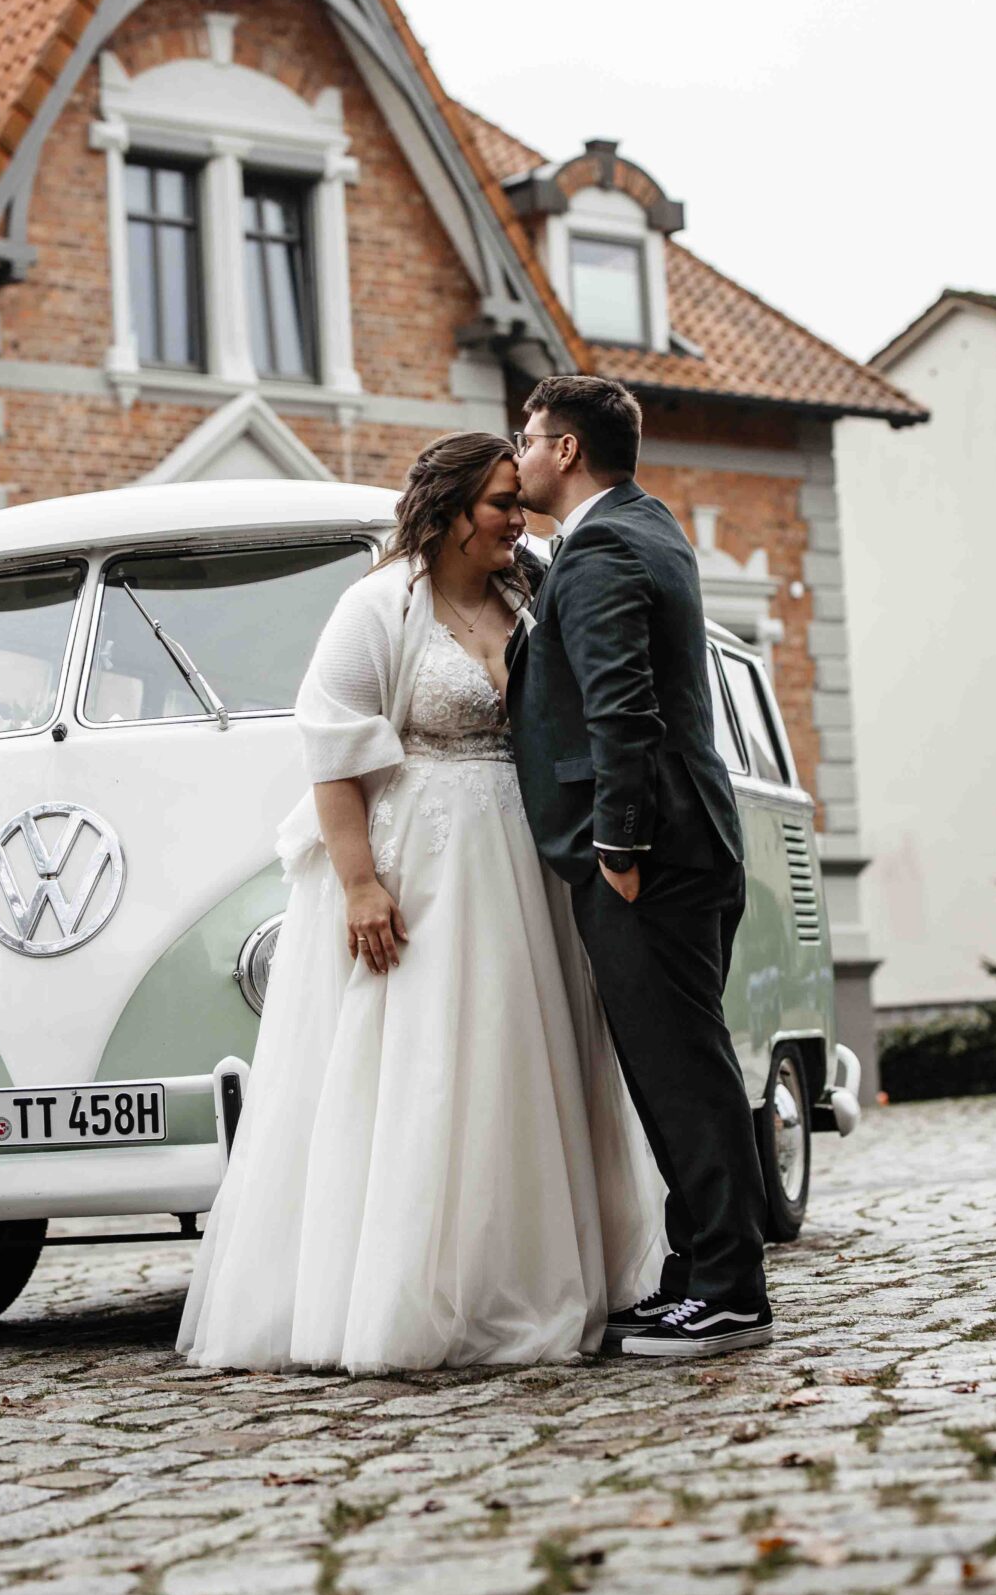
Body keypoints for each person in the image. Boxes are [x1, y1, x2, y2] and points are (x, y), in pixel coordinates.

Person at [178, 432, 661, 1373]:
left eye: (517, 502)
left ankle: (526, 1273)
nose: (516, 520)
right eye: (499, 504)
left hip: (522, 867)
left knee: (519, 1060)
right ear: (447, 512)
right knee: (429, 1064)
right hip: (421, 870)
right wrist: (359, 884)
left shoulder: (526, 596)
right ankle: (414, 1291)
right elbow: (331, 750)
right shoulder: (376, 607)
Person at [508, 374, 773, 1359]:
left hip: (647, 855)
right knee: (679, 1067)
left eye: (526, 438)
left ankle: (731, 1292)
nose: (519, 455)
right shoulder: (646, 526)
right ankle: (696, 1273)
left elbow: (623, 707)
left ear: (565, 450)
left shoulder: (606, 549)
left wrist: (617, 844)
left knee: (682, 1072)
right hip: (690, 842)